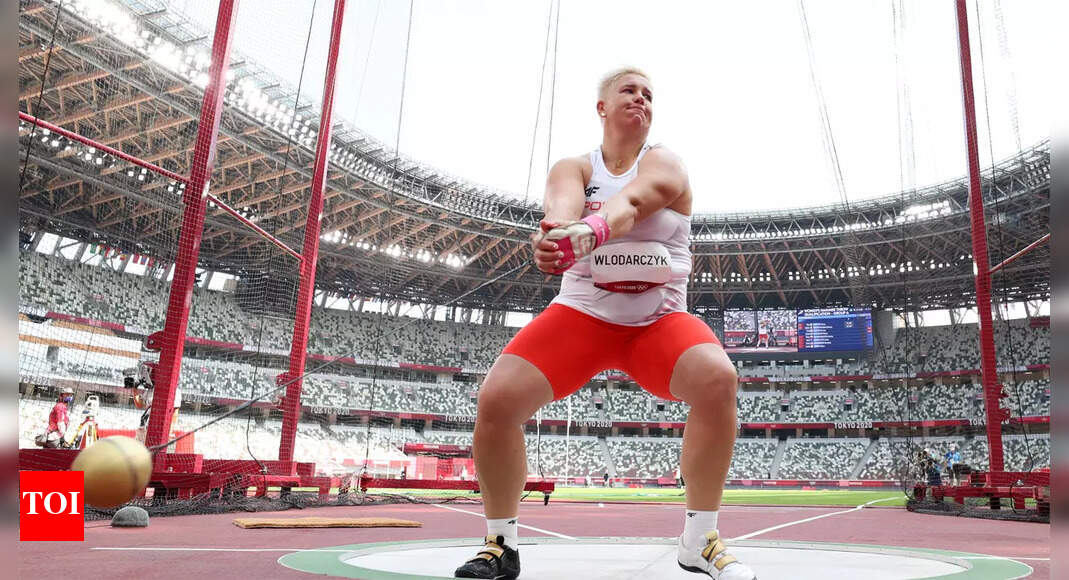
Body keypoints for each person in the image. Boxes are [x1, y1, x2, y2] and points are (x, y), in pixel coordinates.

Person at [454, 68, 754, 580]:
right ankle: (501, 544)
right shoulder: (574, 166)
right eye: (629, 90)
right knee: (497, 399)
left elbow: (636, 201)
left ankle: (698, 539)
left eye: (648, 94)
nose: (641, 99)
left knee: (717, 378)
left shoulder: (664, 161)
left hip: (657, 321)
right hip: (582, 314)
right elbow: (562, 207)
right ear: (601, 108)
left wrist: (590, 231)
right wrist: (552, 237)